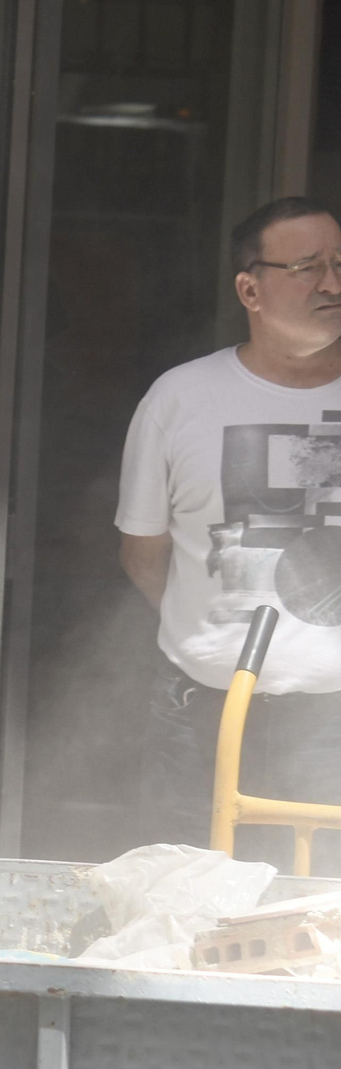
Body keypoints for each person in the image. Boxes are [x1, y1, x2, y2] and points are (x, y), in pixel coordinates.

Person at [117, 195, 341, 854]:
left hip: (334, 723)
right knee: (189, 913)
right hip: (203, 719)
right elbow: (143, 553)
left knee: (321, 931)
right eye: (307, 267)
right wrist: (212, 627)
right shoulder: (180, 398)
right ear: (251, 288)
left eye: (340, 263)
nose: (332, 282)